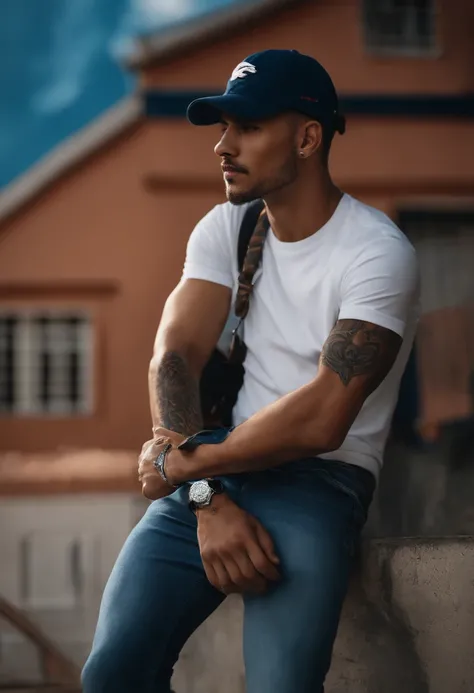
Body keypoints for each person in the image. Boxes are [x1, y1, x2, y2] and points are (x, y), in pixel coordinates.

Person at [82, 49, 419, 693]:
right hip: (214, 469)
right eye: (221, 127)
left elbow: (323, 417)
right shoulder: (228, 227)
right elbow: (176, 353)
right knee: (111, 674)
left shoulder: (377, 254)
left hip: (318, 483)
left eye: (249, 126)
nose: (223, 146)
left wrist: (184, 466)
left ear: (307, 138)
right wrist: (206, 495)